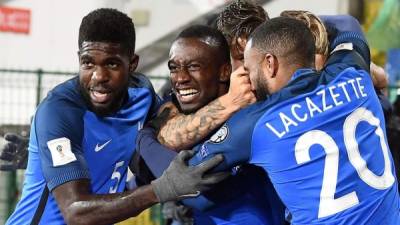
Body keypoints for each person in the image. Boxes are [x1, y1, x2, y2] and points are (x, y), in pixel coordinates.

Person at [5, 8, 229, 225]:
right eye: (88, 63)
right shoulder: (60, 112)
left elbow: (176, 129)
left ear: (132, 64)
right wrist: (161, 189)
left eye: (111, 64)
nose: (98, 76)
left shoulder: (142, 95)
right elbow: (76, 212)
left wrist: (233, 100)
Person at [189, 16, 400, 224]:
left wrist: (229, 103)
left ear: (269, 63)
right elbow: (347, 23)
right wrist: (291, 26)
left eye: (249, 69)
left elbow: (192, 181)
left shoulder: (256, 123)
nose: (249, 81)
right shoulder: (352, 72)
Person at [133, 25, 285, 225]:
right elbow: (142, 168)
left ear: (224, 71)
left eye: (194, 66)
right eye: (173, 68)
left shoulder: (250, 119)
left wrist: (144, 139)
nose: (180, 78)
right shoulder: (181, 113)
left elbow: (202, 196)